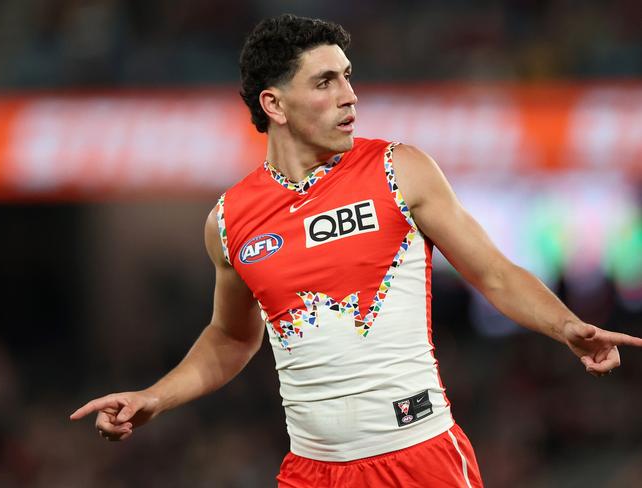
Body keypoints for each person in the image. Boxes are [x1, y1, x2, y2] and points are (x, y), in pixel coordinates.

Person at [70, 14, 642, 487]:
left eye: (347, 77)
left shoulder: (399, 169)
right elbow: (231, 338)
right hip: (311, 472)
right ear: (274, 104)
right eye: (325, 82)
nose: (350, 95)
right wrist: (155, 397)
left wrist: (566, 326)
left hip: (420, 459)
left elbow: (492, 272)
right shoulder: (228, 221)